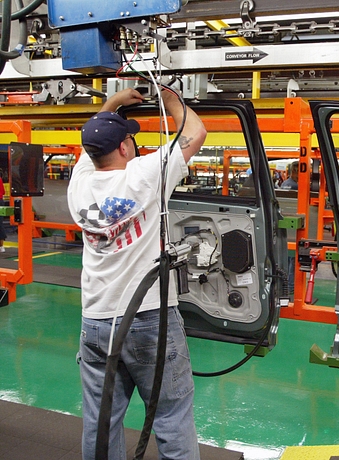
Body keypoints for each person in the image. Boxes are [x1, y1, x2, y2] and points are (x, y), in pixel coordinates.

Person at [67, 88, 207, 460]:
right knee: (171, 416)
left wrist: (111, 104)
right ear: (126, 147)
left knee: (100, 422)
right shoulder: (144, 174)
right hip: (147, 318)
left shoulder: (78, 183)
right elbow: (196, 132)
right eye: (129, 137)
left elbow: (91, 138)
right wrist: (172, 99)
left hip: (95, 322)